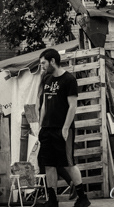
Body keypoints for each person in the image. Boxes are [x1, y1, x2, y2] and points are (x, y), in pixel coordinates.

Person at [37, 49, 90, 207]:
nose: (42, 66)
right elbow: (44, 104)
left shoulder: (69, 80)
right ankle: (52, 199)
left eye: (44, 63)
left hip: (62, 128)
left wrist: (65, 128)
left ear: (52, 61)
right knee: (49, 165)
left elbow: (72, 106)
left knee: (69, 163)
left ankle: (82, 198)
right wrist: (41, 125)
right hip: (47, 128)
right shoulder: (46, 78)